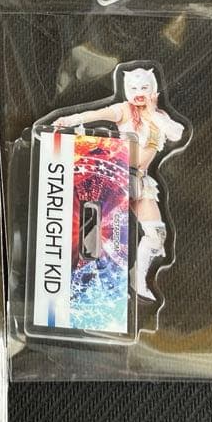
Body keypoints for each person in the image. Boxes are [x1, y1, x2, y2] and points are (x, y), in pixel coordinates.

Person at [54, 67, 185, 300]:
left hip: (140, 180)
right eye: (134, 88)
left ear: (153, 89)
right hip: (118, 176)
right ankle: (86, 282)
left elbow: (177, 134)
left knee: (156, 235)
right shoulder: (125, 110)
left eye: (144, 87)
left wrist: (152, 113)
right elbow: (95, 114)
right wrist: (69, 121)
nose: (139, 92)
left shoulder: (159, 116)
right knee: (100, 235)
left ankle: (137, 280)